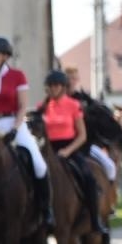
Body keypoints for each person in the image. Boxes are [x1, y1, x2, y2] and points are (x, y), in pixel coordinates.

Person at [0, 36, 53, 228]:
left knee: (39, 164)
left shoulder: (18, 76)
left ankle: (45, 209)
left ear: (5, 56)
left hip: (13, 121)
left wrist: (15, 129)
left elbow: (23, 106)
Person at [41, 69, 111, 234]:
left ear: (63, 87)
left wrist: (67, 151)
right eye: (49, 86)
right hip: (48, 149)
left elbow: (82, 136)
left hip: (70, 148)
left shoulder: (73, 105)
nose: (52, 89)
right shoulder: (44, 106)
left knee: (88, 177)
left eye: (56, 85)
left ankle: (94, 219)